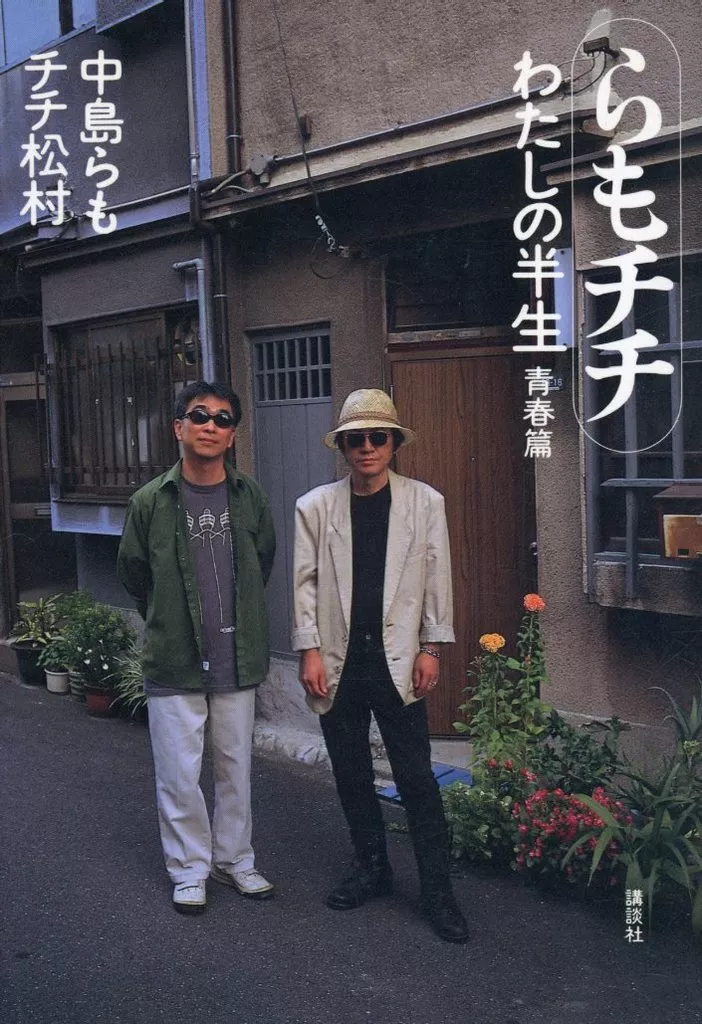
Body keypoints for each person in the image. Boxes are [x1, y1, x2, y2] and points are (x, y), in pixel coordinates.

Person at [291, 388, 469, 943]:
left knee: (416, 779)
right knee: (350, 773)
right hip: (338, 660)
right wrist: (309, 649)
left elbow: (437, 578)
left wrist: (432, 648)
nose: (367, 447)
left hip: (398, 661)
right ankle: (372, 868)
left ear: (394, 443)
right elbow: (304, 583)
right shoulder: (315, 507)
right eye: (356, 439)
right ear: (343, 447)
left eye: (377, 437)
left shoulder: (425, 502)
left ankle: (438, 892)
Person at [117, 380, 276, 914]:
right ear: (178, 427)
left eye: (223, 419)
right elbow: (134, 573)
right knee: (179, 774)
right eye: (200, 415)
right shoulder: (149, 501)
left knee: (235, 768)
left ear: (232, 436)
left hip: (237, 655)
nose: (211, 425)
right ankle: (189, 868)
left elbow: (263, 561)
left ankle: (234, 860)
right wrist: (168, 619)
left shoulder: (250, 497)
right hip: (175, 656)